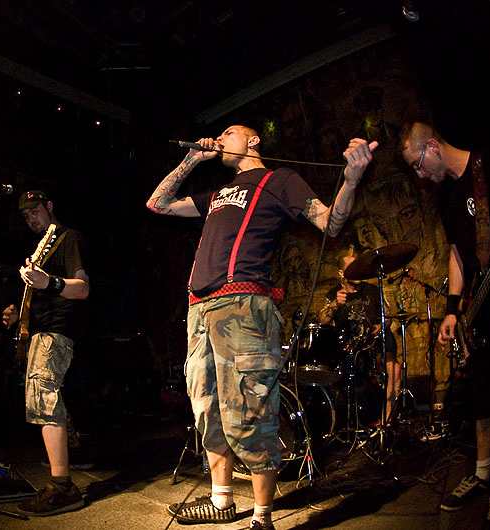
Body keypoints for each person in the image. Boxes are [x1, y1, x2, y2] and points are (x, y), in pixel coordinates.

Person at [147, 125, 377, 530]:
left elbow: (330, 222)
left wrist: (352, 179)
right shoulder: (217, 194)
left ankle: (262, 517)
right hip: (200, 309)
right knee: (207, 408)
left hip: (243, 306)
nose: (220, 138)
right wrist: (193, 159)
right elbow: (158, 203)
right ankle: (221, 500)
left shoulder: (280, 180)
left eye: (229, 132)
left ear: (253, 140)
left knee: (249, 409)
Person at [399, 122, 490, 525]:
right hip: (479, 307)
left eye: (418, 164)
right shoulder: (447, 196)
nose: (419, 174)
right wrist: (452, 310)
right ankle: (482, 473)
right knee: (483, 394)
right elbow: (458, 255)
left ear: (433, 146)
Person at [2, 190, 90, 517]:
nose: (31, 219)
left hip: (57, 331)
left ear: (49, 207)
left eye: (35, 211)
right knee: (45, 400)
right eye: (25, 216)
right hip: (40, 331)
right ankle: (67, 462)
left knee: (44, 399)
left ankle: (62, 486)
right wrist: (18, 314)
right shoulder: (42, 248)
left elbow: (82, 288)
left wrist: (49, 282)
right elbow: (40, 293)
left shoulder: (69, 238)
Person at [318, 250, 401, 424]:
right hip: (347, 351)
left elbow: (388, 317)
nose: (358, 270)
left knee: (394, 369)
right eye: (352, 267)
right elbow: (322, 320)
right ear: (341, 273)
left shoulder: (372, 291)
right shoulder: (334, 294)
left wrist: (381, 326)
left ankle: (385, 422)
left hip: (373, 347)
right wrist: (335, 304)